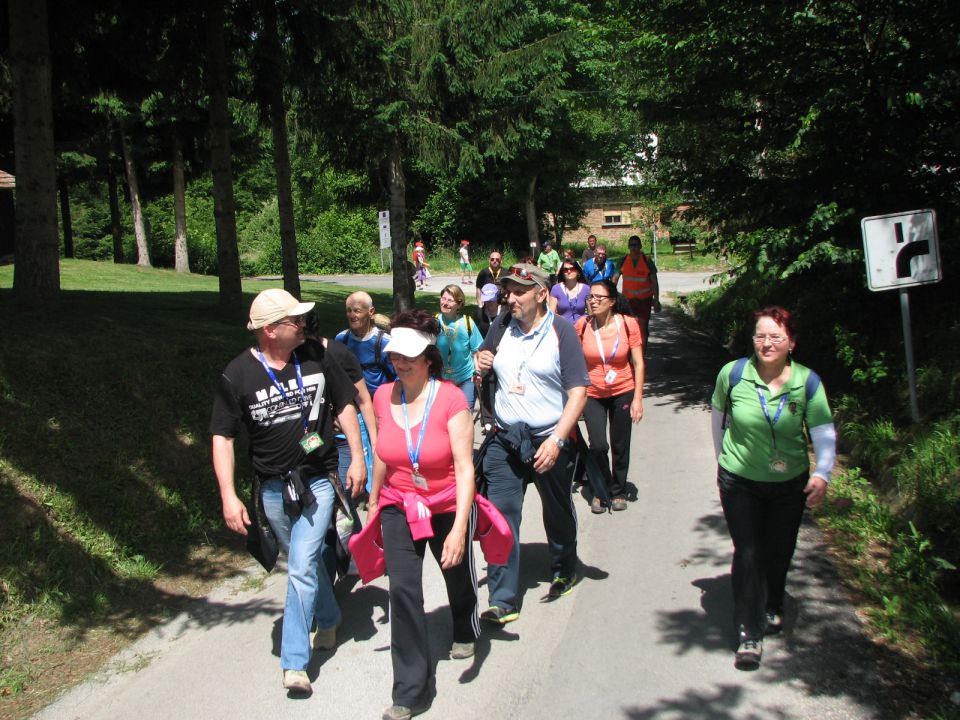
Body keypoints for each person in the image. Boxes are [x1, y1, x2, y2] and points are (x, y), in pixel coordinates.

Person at [210, 289, 366, 695]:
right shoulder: (239, 374)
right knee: (307, 560)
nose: (303, 325)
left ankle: (295, 662)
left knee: (299, 565)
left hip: (319, 478)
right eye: (294, 320)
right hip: (274, 488)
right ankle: (329, 615)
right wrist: (228, 495)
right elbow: (222, 437)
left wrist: (360, 457)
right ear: (270, 330)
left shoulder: (316, 355)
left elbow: (345, 404)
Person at [710, 306, 836, 669]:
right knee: (748, 551)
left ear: (791, 343)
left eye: (775, 337)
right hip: (740, 482)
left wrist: (823, 473)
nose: (766, 343)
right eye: (760, 336)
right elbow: (719, 418)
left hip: (788, 483)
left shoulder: (807, 382)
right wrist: (721, 461)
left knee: (779, 551)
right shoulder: (732, 374)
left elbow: (823, 431)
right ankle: (748, 633)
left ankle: (773, 602)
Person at [369, 310, 479, 720]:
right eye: (395, 354)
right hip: (400, 505)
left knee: (456, 572)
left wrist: (460, 528)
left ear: (429, 357)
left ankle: (466, 626)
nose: (400, 361)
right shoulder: (383, 396)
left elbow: (465, 467)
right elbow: (384, 454)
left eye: (409, 355)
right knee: (403, 591)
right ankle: (411, 689)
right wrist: (373, 501)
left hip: (447, 503)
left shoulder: (450, 397)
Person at [474, 263, 589, 624]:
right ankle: (502, 600)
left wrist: (557, 440)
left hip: (549, 437)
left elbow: (578, 392)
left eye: (519, 290)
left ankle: (563, 567)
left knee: (556, 509)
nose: (511, 297)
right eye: (507, 290)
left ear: (541, 294)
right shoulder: (500, 326)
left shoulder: (562, 332)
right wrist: (480, 361)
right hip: (506, 437)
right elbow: (483, 365)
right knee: (501, 514)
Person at [575, 280, 644, 513]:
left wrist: (637, 399)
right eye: (590, 297)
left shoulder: (628, 324)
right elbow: (573, 362)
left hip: (622, 391)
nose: (592, 301)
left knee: (620, 443)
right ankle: (600, 488)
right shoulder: (582, 325)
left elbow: (638, 362)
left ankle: (617, 490)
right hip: (592, 393)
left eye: (598, 298)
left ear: (612, 302)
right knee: (598, 444)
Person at [336, 291, 396, 494]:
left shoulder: (384, 343)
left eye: (357, 311)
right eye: (348, 311)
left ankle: (383, 492)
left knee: (381, 449)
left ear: (370, 312)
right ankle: (361, 489)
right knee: (358, 449)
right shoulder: (341, 340)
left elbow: (398, 378)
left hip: (380, 408)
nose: (352, 315)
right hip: (351, 407)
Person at [436, 284, 484, 408]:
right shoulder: (434, 321)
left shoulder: (467, 322)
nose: (445, 303)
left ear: (459, 304)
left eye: (450, 300)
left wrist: (477, 372)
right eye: (443, 298)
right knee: (443, 417)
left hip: (465, 379)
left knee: (465, 414)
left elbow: (476, 352)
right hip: (441, 379)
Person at [613, 234, 661, 348]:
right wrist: (612, 296)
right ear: (628, 247)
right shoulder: (623, 260)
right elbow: (614, 279)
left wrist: (656, 299)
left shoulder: (647, 260)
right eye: (631, 245)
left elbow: (654, 282)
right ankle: (629, 353)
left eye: (636, 245)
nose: (633, 247)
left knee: (642, 328)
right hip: (628, 301)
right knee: (628, 327)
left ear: (640, 246)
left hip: (644, 300)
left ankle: (641, 355)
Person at [548, 259, 590, 324]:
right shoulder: (556, 289)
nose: (569, 271)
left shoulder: (586, 289)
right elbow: (551, 314)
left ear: (578, 272)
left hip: (582, 328)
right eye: (565, 270)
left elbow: (591, 314)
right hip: (563, 328)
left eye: (572, 269)